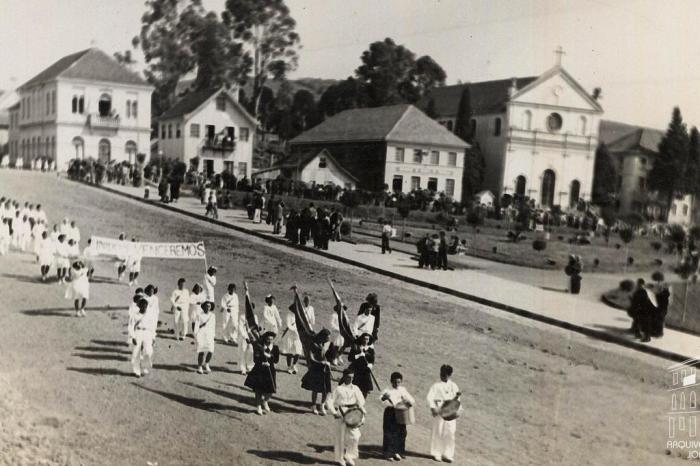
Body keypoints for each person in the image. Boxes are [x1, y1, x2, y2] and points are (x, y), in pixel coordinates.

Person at [329, 367, 366, 466]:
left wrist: (361, 412)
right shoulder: (339, 389)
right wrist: (334, 412)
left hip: (353, 414)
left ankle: (349, 455)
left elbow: (361, 401)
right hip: (341, 413)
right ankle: (340, 459)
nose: (350, 379)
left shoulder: (356, 388)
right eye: (349, 377)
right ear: (344, 377)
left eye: (352, 377)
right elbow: (330, 401)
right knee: (340, 437)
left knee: (355, 436)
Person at [426, 364, 463, 463]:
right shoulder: (436, 385)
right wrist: (433, 408)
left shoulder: (454, 386)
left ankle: (448, 454)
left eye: (445, 375)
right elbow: (430, 397)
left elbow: (457, 399)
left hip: (450, 412)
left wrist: (458, 410)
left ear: (449, 375)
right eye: (441, 374)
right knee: (438, 431)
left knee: (450, 433)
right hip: (439, 411)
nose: (442, 376)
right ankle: (436, 453)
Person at [381, 372, 415, 461]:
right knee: (389, 433)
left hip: (401, 413)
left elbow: (411, 400)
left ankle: (398, 452)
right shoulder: (387, 390)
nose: (397, 384)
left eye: (399, 382)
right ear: (391, 381)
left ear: (401, 382)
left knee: (402, 432)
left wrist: (407, 401)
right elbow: (381, 400)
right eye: (395, 382)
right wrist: (384, 398)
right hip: (390, 413)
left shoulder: (403, 390)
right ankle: (388, 453)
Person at [244, 331, 280, 415]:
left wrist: (270, 356)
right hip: (260, 370)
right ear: (265, 339)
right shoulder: (259, 347)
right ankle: (258, 406)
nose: (269, 341)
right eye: (268, 339)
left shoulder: (275, 348)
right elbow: (255, 359)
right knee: (258, 390)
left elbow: (276, 360)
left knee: (271, 390)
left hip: (270, 370)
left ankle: (265, 401)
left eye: (271, 339)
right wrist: (262, 361)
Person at [301, 328, 334, 415]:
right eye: (327, 337)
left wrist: (328, 362)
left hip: (325, 369)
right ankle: (313, 405)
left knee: (325, 389)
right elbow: (311, 358)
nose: (329, 338)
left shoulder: (325, 344)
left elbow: (328, 356)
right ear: (323, 336)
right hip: (317, 369)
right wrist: (321, 362)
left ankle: (322, 405)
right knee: (315, 389)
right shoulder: (313, 344)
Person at [129, 298, 152, 377]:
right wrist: (133, 337)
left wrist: (153, 337)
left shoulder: (148, 315)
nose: (144, 308)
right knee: (136, 351)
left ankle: (144, 367)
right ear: (140, 306)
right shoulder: (135, 315)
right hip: (138, 332)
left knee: (148, 351)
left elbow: (152, 327)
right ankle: (137, 371)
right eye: (143, 306)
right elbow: (131, 326)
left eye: (145, 306)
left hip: (147, 333)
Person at [348, 333, 375, 398]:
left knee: (365, 389)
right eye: (364, 339)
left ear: (369, 340)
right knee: (353, 388)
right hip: (356, 370)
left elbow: (372, 360)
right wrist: (359, 355)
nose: (365, 341)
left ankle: (361, 404)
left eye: (367, 339)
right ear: (361, 339)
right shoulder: (356, 347)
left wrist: (370, 365)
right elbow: (350, 358)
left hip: (365, 371)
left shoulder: (370, 350)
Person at [195, 301, 217, 374]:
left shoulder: (212, 315)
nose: (208, 307)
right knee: (201, 351)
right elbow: (196, 326)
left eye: (209, 306)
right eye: (206, 306)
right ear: (203, 307)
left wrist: (213, 335)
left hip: (210, 335)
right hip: (201, 334)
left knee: (210, 350)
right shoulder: (199, 315)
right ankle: (199, 367)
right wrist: (196, 335)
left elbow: (213, 326)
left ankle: (206, 364)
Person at [281, 302, 303, 374]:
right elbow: (289, 325)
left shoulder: (300, 315)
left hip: (297, 336)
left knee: (298, 352)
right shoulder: (289, 315)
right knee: (289, 352)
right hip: (290, 336)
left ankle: (294, 365)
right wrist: (295, 330)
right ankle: (289, 367)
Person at [652, 273, 671, 338]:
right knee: (658, 318)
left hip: (662, 305)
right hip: (661, 304)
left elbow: (661, 294)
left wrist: (658, 293)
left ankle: (659, 333)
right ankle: (656, 332)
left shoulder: (663, 285)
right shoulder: (661, 285)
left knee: (660, 318)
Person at [238, 308, 255, 375]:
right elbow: (241, 328)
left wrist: (253, 336)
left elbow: (255, 327)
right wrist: (245, 337)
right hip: (243, 337)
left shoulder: (254, 317)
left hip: (251, 337)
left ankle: (250, 367)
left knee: (251, 351)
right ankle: (243, 369)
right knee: (243, 352)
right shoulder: (242, 317)